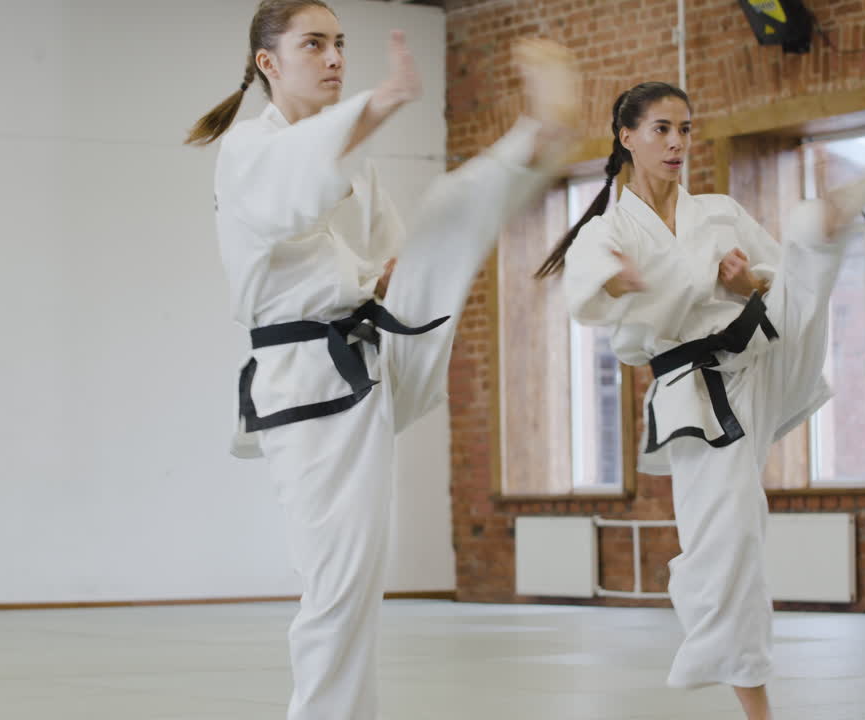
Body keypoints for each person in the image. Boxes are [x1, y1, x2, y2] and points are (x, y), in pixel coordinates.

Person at [187, 2, 582, 717]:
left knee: (444, 216)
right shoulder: (250, 147)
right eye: (315, 44)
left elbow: (391, 256)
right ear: (269, 63)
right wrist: (382, 101)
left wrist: (395, 270)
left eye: (340, 43)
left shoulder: (354, 165)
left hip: (366, 360)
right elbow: (292, 193)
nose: (335, 58)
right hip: (307, 383)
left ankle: (532, 138)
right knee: (339, 586)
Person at [537, 81, 865, 720]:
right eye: (661, 129)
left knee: (798, 260)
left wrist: (746, 284)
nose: (677, 143)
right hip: (696, 393)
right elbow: (590, 296)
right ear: (627, 137)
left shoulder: (718, 212)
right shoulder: (609, 230)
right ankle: (756, 704)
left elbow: (770, 279)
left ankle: (823, 220)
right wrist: (629, 278)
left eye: (685, 129)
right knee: (730, 540)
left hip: (763, 350)